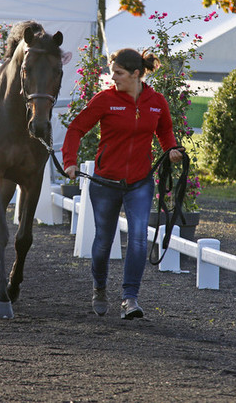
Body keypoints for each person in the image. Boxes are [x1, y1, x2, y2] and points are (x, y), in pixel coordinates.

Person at [61, 48, 184, 320]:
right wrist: (70, 161)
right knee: (104, 240)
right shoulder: (105, 100)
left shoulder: (156, 101)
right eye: (112, 72)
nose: (112, 77)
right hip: (105, 182)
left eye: (118, 73)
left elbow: (164, 131)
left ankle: (130, 298)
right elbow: (76, 129)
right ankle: (100, 288)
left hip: (140, 182)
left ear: (137, 74)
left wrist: (172, 149)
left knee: (139, 239)